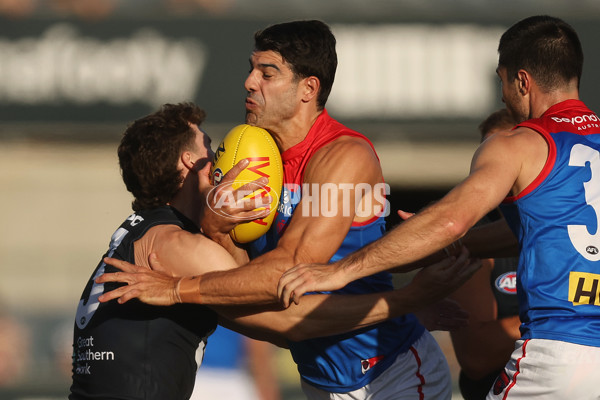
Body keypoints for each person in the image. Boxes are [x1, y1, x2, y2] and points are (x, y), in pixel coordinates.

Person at [98, 20, 480, 399]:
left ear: (307, 89)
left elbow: (289, 273)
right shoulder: (255, 156)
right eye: (251, 70)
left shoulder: (342, 155)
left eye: (267, 73)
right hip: (318, 378)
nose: (250, 82)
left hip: (389, 372)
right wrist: (216, 231)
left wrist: (176, 290)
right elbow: (247, 284)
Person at [278, 15, 600, 399]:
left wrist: (338, 272)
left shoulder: (520, 143)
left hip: (559, 356)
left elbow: (450, 220)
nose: (502, 97)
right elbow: (552, 225)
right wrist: (451, 245)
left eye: (502, 82)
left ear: (522, 81)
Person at [449, 109, 521, 400]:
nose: (492, 171)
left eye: (500, 160)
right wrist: (569, 312)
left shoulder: (578, 225)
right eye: (485, 161)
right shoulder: (473, 235)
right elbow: (477, 354)